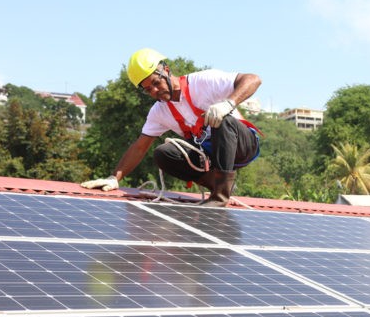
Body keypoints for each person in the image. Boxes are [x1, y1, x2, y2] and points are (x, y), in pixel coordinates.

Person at [80, 48, 262, 207]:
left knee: (223, 120)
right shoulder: (159, 112)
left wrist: (228, 104)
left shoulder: (203, 81)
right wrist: (114, 178)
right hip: (212, 155)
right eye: (148, 89)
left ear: (166, 70)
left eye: (156, 83)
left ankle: (219, 196)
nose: (155, 91)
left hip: (242, 145)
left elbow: (253, 79)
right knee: (163, 153)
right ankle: (217, 183)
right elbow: (140, 147)